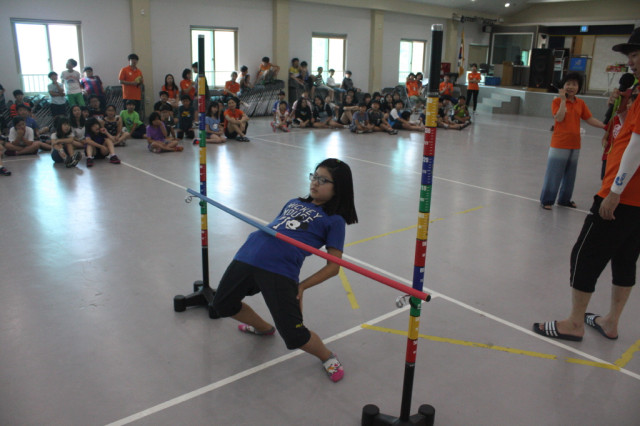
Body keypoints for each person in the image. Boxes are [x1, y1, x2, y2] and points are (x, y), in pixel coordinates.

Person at [533, 28, 640, 342]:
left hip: (623, 195)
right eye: (630, 56)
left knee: (584, 255)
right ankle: (610, 322)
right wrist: (621, 107)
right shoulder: (635, 94)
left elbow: (636, 146)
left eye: (635, 55)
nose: (631, 62)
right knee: (625, 259)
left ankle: (575, 323)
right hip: (637, 201)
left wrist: (615, 191)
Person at [211, 158, 358, 382]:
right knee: (222, 304)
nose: (315, 183)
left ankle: (327, 356)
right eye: (314, 176)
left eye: (323, 180)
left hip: (279, 270)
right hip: (247, 255)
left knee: (295, 335)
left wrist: (302, 286)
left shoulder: (334, 220)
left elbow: (333, 267)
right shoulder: (293, 202)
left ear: (338, 188)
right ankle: (263, 328)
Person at [539, 73, 606, 210]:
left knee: (570, 175)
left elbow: (589, 118)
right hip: (560, 144)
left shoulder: (580, 103)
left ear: (578, 87)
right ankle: (547, 200)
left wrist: (605, 126)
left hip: (575, 144)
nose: (571, 87)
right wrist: (563, 100)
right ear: (563, 86)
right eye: (568, 84)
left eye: (574, 84)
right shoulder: (557, 101)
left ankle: (564, 200)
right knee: (554, 174)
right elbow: (559, 118)